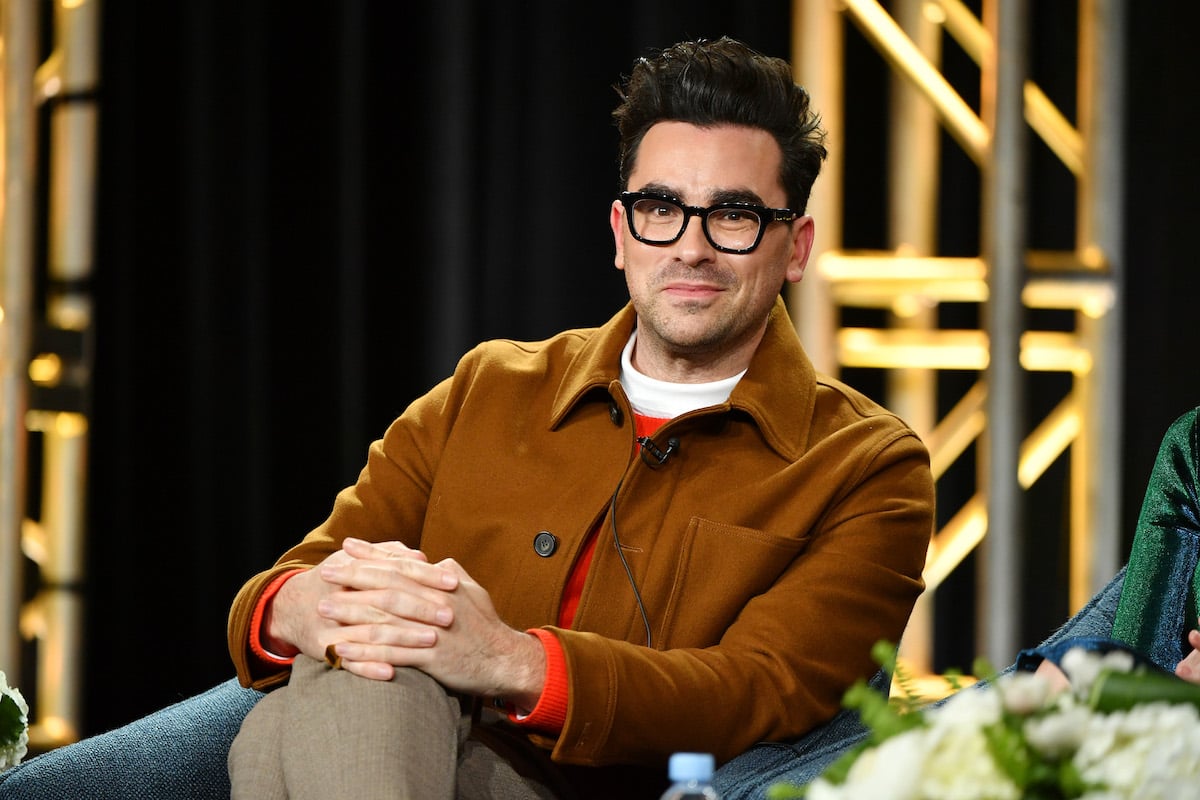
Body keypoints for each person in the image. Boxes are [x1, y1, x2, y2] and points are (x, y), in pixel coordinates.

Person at [0, 37, 935, 800]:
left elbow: (763, 691)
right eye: (659, 208)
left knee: (322, 709)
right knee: (369, 666)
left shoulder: (868, 464)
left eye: (733, 215)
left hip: (624, 788)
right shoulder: (491, 388)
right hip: (403, 751)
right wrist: (302, 607)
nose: (689, 245)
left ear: (795, 245)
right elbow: (308, 573)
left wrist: (510, 662)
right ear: (620, 234)